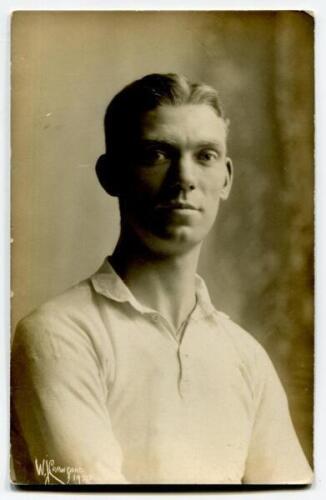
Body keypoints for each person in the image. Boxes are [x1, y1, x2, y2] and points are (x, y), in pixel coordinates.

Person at [11, 73, 312, 485]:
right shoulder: (60, 334)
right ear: (110, 174)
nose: (183, 178)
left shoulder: (245, 357)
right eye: (156, 154)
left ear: (225, 178)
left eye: (204, 155)